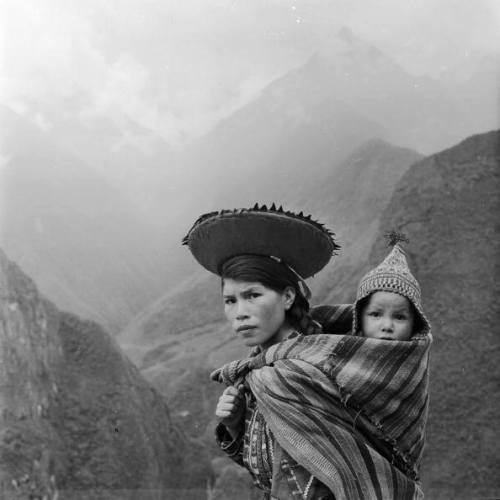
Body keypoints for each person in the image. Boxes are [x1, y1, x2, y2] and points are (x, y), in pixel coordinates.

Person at [183, 206, 431, 500]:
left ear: (288, 296)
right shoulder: (261, 375)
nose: (240, 313)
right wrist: (236, 427)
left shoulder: (295, 375)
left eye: (252, 295)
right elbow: (272, 470)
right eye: (230, 300)